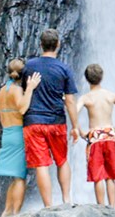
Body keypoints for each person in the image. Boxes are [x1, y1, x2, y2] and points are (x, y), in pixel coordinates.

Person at [22, 28, 81, 207]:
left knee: (41, 165)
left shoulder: (29, 66)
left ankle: (48, 206)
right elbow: (70, 101)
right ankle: (66, 200)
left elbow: (25, 91)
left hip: (33, 122)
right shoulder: (64, 68)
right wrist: (75, 126)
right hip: (56, 122)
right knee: (62, 161)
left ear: (40, 45)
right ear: (58, 45)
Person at [75, 63, 115, 208]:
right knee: (110, 175)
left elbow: (73, 113)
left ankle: (101, 208)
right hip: (110, 135)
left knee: (98, 176)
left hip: (95, 137)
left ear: (86, 79)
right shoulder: (110, 95)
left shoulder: (86, 98)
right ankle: (112, 208)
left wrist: (80, 131)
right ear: (102, 77)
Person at [0, 59, 41, 217]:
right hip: (18, 134)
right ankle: (16, 214)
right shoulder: (15, 90)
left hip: (6, 133)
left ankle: (6, 212)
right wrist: (30, 88)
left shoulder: (2, 90)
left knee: (14, 178)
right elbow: (22, 108)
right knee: (21, 177)